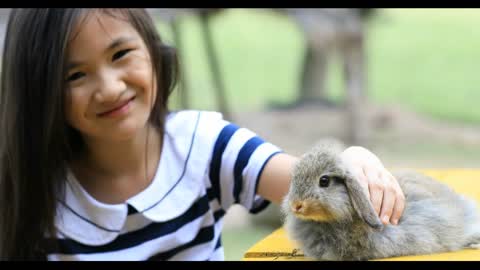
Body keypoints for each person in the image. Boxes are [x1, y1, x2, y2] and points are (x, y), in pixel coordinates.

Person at [0, 8, 405, 261]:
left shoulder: (204, 144)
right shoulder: (34, 194)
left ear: (154, 52)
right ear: (41, 92)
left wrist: (353, 160)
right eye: (75, 75)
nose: (108, 87)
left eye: (120, 55)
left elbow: (309, 184)